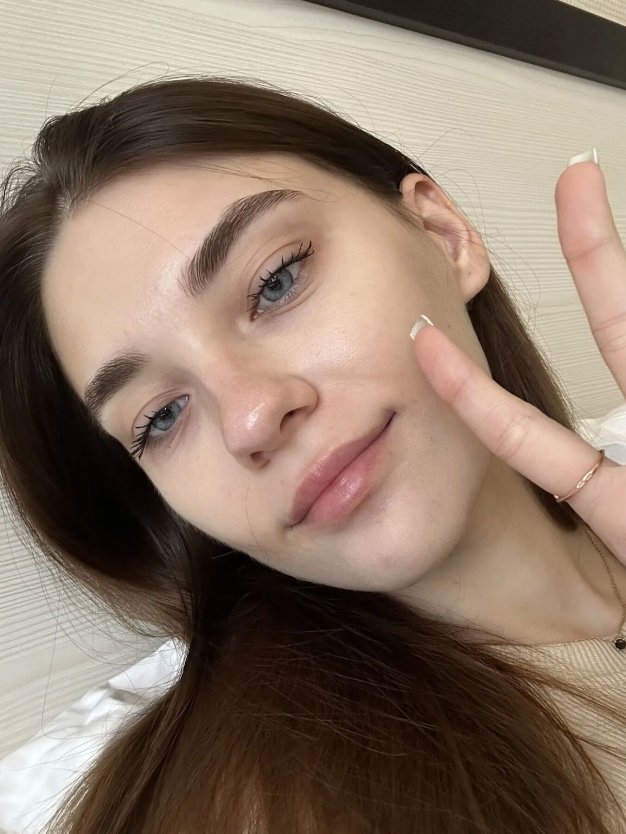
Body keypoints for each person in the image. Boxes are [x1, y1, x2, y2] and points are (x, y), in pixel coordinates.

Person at [0, 74, 625, 833]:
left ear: (442, 234)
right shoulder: (253, 806)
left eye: (277, 281)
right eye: (161, 417)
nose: (250, 419)